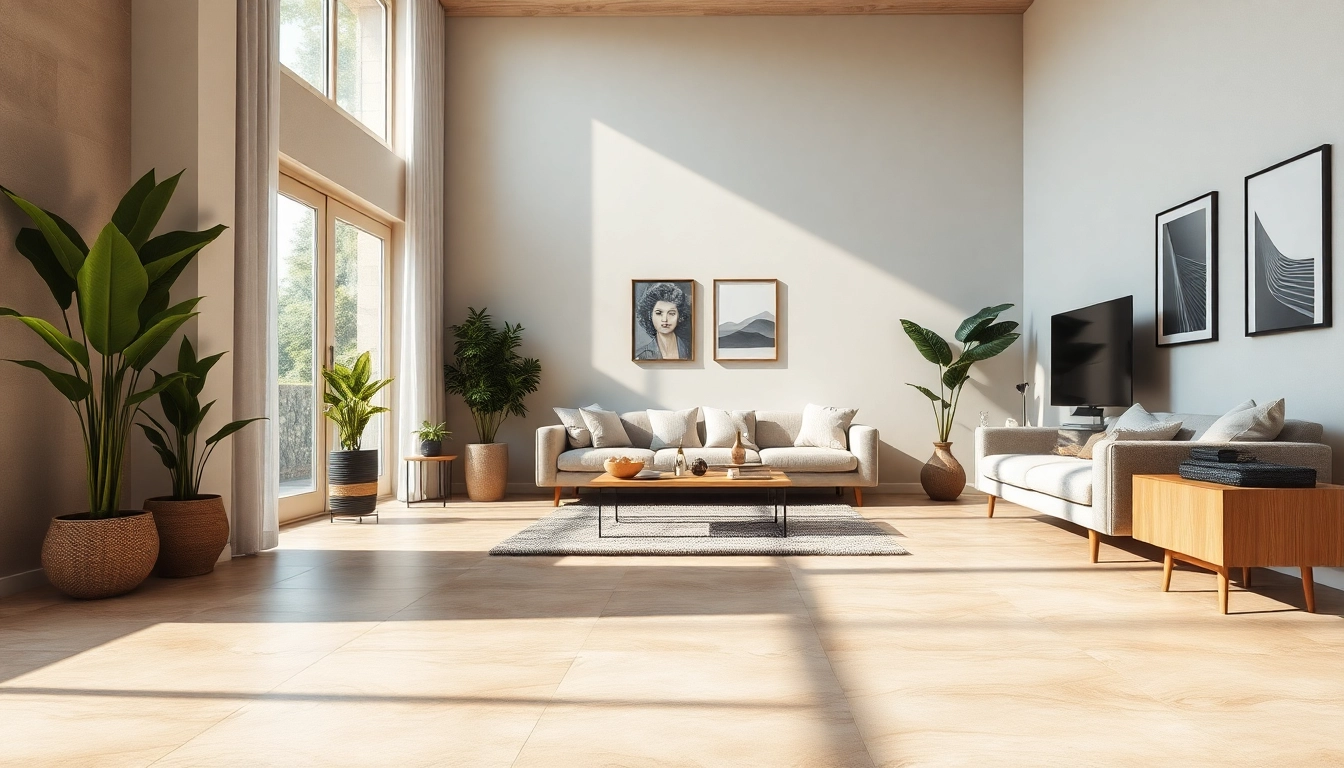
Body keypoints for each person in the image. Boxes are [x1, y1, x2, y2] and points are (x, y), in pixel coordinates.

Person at [634, 282, 692, 360]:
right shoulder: (641, 356)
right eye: (659, 313)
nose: (665, 319)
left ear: (680, 316)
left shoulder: (690, 350)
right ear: (650, 315)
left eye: (671, 313)